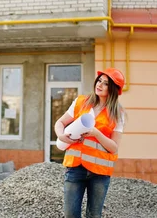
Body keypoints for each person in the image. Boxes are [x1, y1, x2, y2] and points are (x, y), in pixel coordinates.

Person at [54, 68, 126, 218]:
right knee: (70, 215)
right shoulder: (81, 102)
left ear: (113, 89)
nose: (100, 84)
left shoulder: (117, 113)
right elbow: (60, 122)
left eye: (105, 83)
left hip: (99, 173)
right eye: (99, 80)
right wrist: (61, 136)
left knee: (94, 215)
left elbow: (113, 147)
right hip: (75, 168)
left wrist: (96, 133)